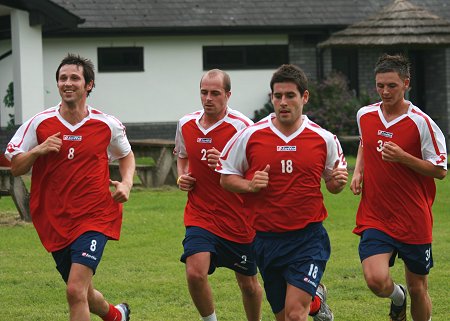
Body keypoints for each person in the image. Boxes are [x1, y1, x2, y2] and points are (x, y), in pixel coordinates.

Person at [5, 54, 135, 321]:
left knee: (75, 290)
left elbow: (126, 155)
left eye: (74, 78)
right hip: (55, 219)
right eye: (62, 78)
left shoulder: (106, 124)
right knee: (84, 292)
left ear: (88, 85)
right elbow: (15, 167)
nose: (67, 83)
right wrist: (39, 150)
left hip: (95, 217)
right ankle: (116, 316)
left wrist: (127, 183)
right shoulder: (40, 123)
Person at [218, 64, 346, 321]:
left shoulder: (323, 138)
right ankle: (316, 299)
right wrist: (250, 185)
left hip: (308, 239)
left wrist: (337, 183)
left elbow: (332, 184)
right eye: (278, 96)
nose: (283, 102)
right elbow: (226, 178)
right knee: (282, 315)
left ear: (304, 97)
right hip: (266, 241)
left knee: (294, 315)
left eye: (290, 96)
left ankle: (310, 300)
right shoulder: (251, 135)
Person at [350, 54, 447, 321]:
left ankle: (409, 299)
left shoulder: (422, 122)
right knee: (375, 279)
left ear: (406, 84)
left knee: (419, 288)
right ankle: (397, 297)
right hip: (376, 215)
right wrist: (358, 171)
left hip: (413, 217)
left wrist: (403, 157)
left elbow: (440, 170)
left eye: (391, 85)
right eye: (380, 85)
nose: (385, 91)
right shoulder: (365, 115)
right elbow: (364, 142)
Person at [174, 69, 263, 321]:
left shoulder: (244, 127)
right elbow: (182, 157)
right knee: (194, 272)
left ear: (228, 95)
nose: (208, 98)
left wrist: (226, 163)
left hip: (239, 219)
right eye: (204, 92)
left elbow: (257, 175)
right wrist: (182, 177)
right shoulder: (185, 124)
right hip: (200, 214)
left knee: (248, 284)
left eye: (215, 93)